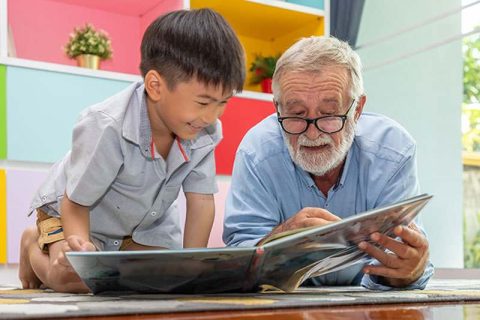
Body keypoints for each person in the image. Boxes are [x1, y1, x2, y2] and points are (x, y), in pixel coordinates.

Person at [19, 8, 245, 293]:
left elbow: (201, 202)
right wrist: (83, 253)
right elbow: (76, 203)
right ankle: (32, 246)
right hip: (72, 212)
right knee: (78, 281)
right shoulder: (107, 126)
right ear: (155, 86)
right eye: (203, 103)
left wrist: (193, 268)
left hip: (141, 225)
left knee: (164, 278)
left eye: (222, 103)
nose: (212, 116)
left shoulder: (206, 131)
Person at [223, 36, 433, 290]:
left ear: (357, 110)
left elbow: (401, 259)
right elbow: (236, 264)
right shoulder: (257, 152)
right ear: (278, 109)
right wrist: (281, 238)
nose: (312, 134)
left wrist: (409, 270)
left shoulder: (393, 152)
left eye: (329, 114)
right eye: (297, 114)